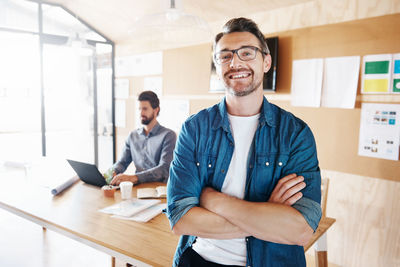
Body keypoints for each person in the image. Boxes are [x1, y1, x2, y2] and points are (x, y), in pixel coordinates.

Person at [166, 18, 321, 267]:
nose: (235, 62)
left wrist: (212, 200)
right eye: (225, 56)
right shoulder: (194, 129)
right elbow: (181, 219)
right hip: (201, 259)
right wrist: (267, 214)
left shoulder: (295, 133)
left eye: (247, 53)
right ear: (217, 67)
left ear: (266, 62)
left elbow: (300, 229)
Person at [110, 91, 176, 186]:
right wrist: (111, 173)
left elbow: (164, 168)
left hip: (158, 189)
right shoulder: (132, 136)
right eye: (139, 109)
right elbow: (122, 162)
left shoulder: (168, 135)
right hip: (136, 188)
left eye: (145, 109)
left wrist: (134, 177)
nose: (141, 113)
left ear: (156, 110)